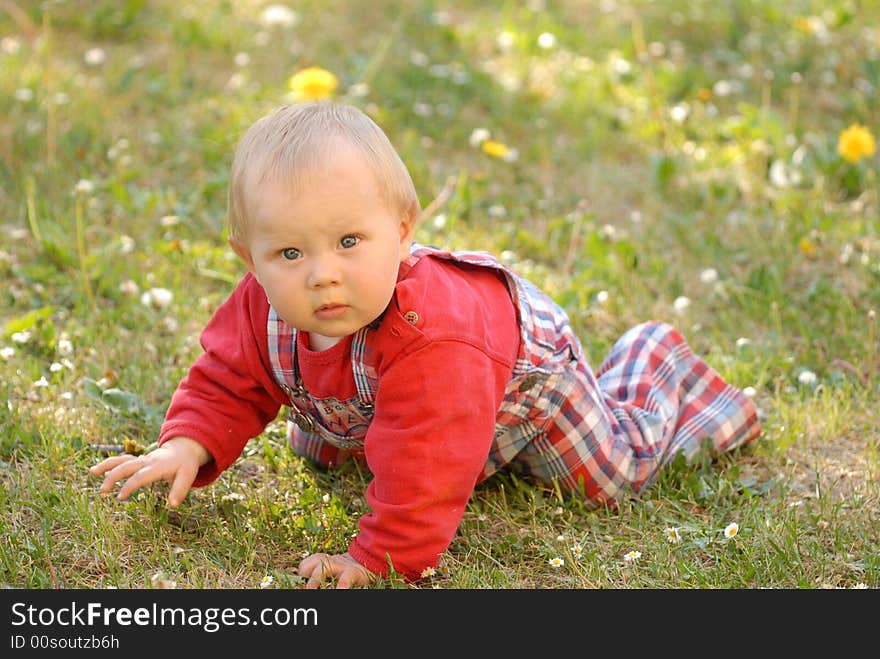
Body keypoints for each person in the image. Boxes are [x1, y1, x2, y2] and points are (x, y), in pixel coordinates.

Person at [89, 101, 761, 588]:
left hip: (523, 389)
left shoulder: (436, 334)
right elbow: (229, 378)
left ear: (404, 230)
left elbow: (430, 456)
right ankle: (364, 430)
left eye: (350, 241)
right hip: (397, 397)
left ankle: (651, 360)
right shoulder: (264, 302)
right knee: (331, 450)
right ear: (250, 257)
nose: (322, 271)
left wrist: (378, 556)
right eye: (290, 251)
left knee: (609, 477)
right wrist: (186, 442)